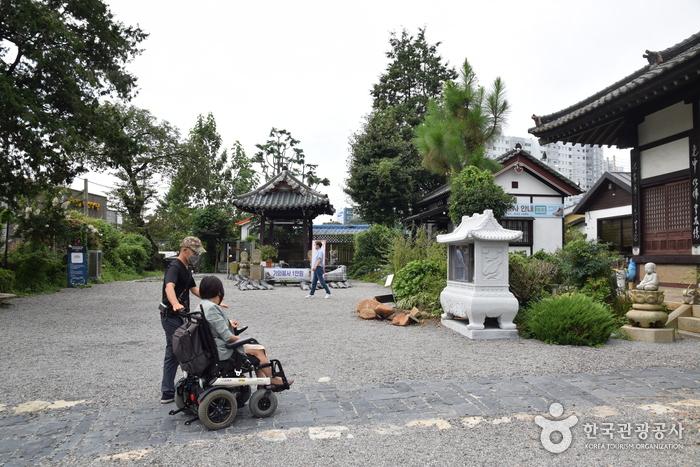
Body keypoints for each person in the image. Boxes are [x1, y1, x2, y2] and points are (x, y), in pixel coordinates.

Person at [199, 275, 292, 388]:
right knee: (259, 349)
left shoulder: (201, 306)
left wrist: (228, 323)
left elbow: (214, 326)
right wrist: (244, 340)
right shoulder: (213, 308)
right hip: (222, 351)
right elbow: (228, 337)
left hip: (211, 347)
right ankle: (273, 380)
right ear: (218, 292)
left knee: (255, 346)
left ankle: (262, 380)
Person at [159, 236, 206, 404]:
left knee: (186, 349)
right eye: (195, 252)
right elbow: (169, 287)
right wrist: (175, 303)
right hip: (171, 316)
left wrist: (214, 298)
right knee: (175, 351)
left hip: (182, 316)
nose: (196, 256)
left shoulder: (186, 268)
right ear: (185, 250)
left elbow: (194, 289)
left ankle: (185, 388)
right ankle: (167, 392)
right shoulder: (174, 266)